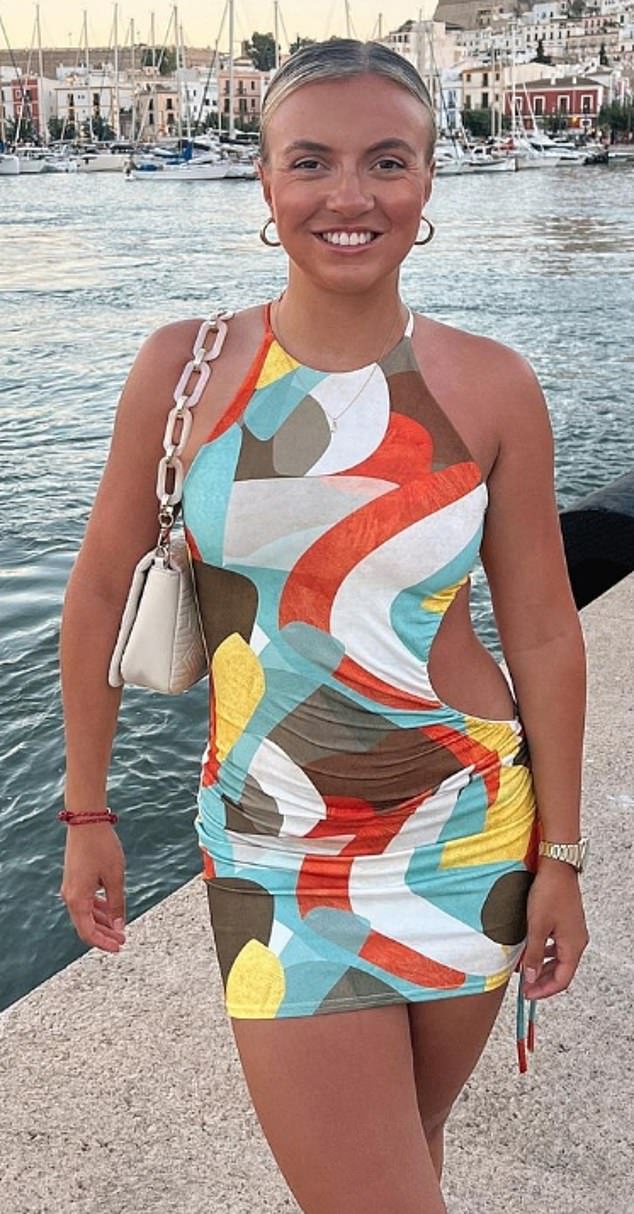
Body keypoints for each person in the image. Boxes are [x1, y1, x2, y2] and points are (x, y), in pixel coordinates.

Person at [59, 39, 589, 1214]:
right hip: (274, 844)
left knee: (405, 1150)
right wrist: (87, 808)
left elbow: (545, 633)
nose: (349, 195)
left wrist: (559, 854)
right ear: (264, 179)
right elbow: (97, 595)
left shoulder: (490, 385)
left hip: (465, 834)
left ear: (428, 180)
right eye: (311, 161)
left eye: (386, 161)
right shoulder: (186, 373)